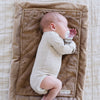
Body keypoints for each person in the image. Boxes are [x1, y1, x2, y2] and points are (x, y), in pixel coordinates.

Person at [30, 12, 77, 100]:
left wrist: (69, 38)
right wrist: (73, 46)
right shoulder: (50, 35)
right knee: (58, 84)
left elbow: (61, 45)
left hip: (45, 77)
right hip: (41, 77)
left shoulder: (53, 37)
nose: (68, 29)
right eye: (65, 26)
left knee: (57, 84)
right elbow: (62, 49)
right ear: (53, 27)